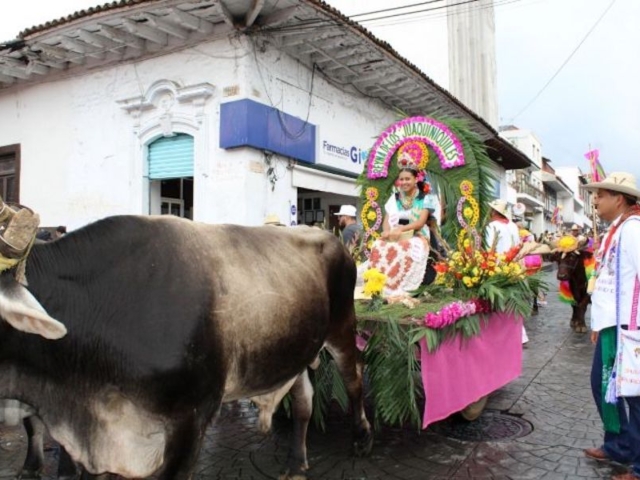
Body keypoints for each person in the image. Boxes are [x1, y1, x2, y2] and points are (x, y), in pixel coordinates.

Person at [582, 172, 640, 480]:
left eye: (600, 195)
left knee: (634, 395)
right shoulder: (614, 230)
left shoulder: (633, 230)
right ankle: (619, 446)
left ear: (619, 198)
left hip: (629, 328)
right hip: (611, 326)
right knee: (604, 386)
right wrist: (599, 322)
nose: (594, 200)